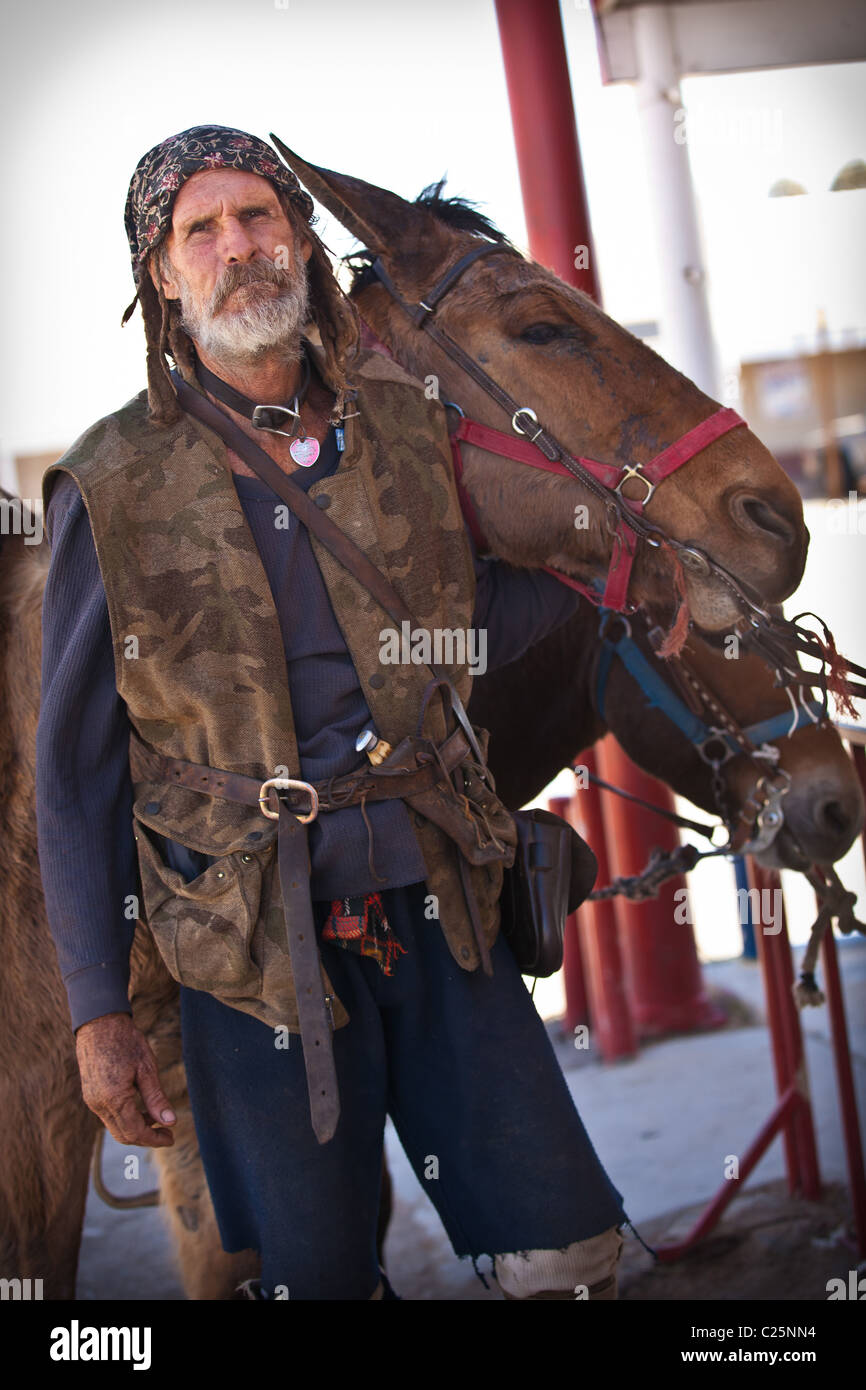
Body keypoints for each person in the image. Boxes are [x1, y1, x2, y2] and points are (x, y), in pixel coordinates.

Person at [36, 125, 629, 1301]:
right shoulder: (110, 481)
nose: (237, 247)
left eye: (258, 217)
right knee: (313, 1282)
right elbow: (77, 773)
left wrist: (615, 566)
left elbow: (467, 631)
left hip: (440, 899)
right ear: (161, 274)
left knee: (567, 1252)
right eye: (199, 231)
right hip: (248, 943)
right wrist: (100, 1011)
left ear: (301, 242)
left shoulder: (403, 421)